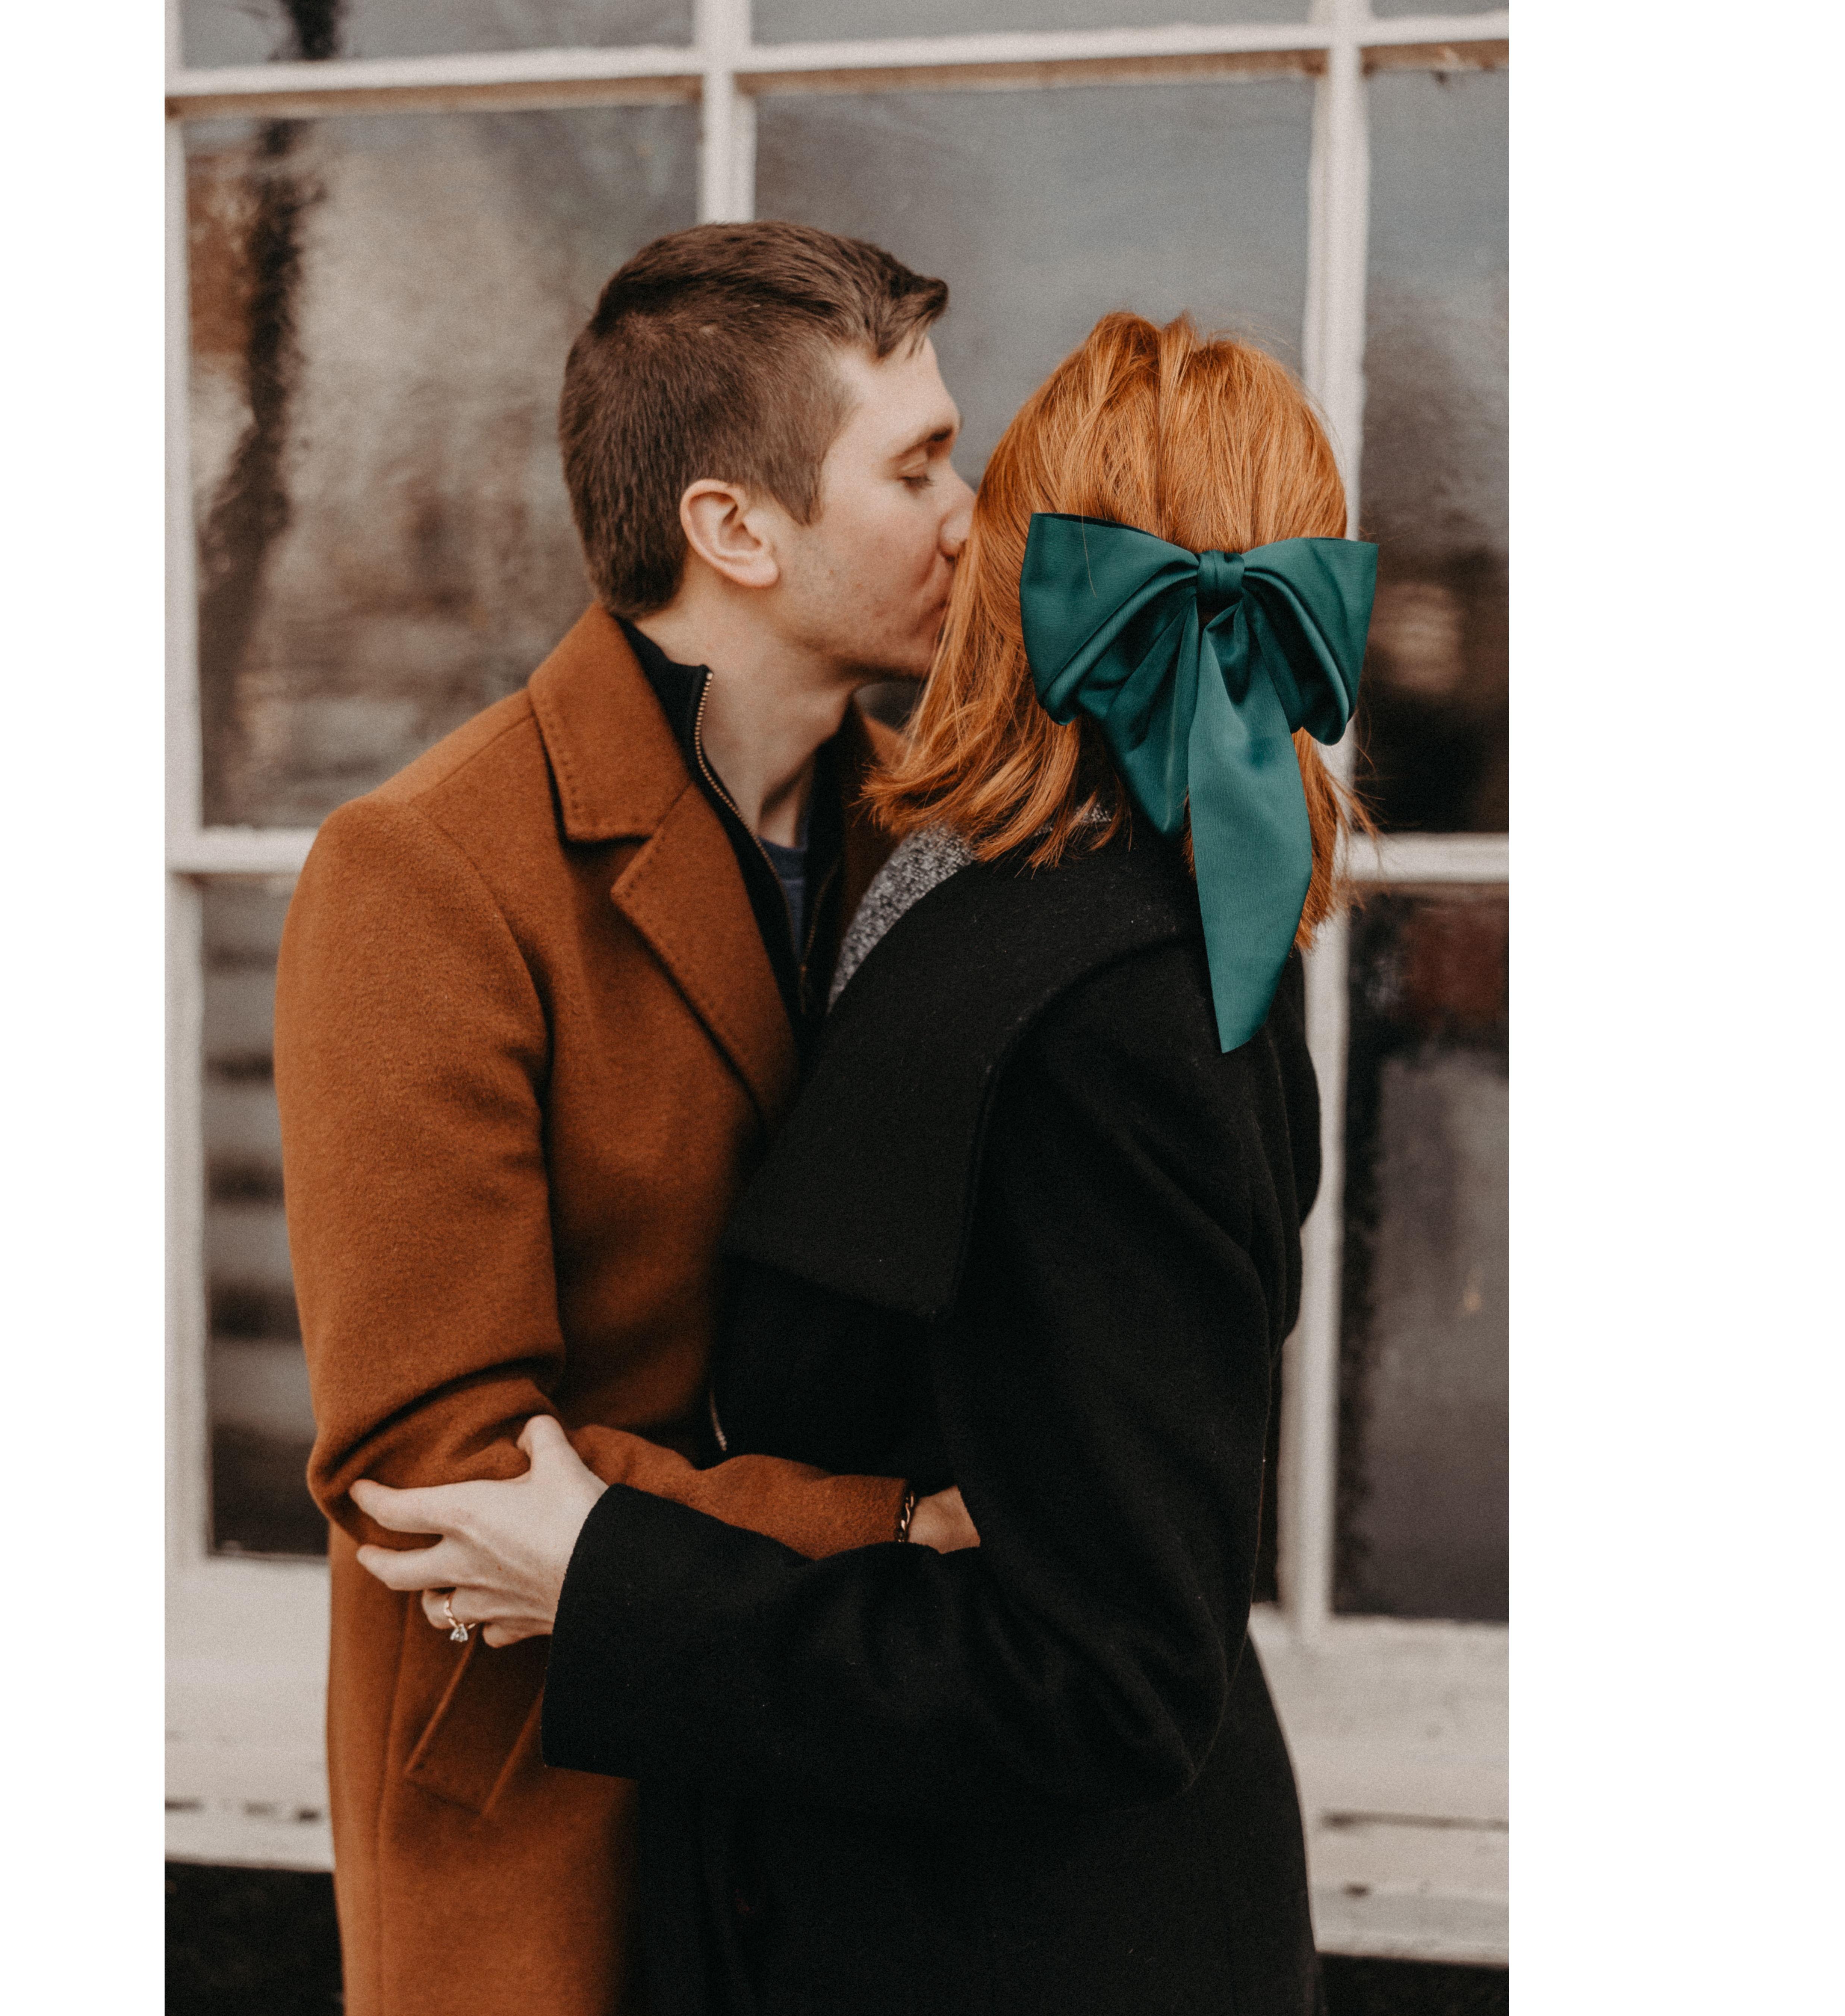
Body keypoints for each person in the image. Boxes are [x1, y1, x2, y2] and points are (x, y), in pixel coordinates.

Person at [350, 310, 1378, 2016]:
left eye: (979, 482)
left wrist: (617, 1579)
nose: (956, 523)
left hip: (1029, 1948)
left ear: (1044, 575)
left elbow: (1111, 1675)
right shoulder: (982, 868)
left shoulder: (1109, 995)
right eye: (921, 470)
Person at [273, 221, 978, 2016]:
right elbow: (435, 1469)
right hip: (551, 1818)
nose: (969, 516)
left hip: (858, 1806)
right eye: (914, 468)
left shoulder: (941, 841)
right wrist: (894, 1528)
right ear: (736, 529)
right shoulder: (423, 870)